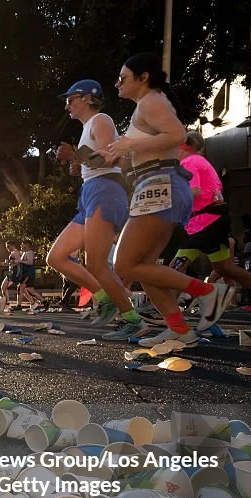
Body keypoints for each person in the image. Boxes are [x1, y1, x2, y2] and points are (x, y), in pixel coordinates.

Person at [101, 54, 231, 347]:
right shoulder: (145, 107)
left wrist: (131, 144)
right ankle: (180, 329)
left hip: (161, 185)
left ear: (143, 77)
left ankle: (208, 293)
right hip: (155, 184)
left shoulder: (151, 102)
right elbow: (149, 150)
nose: (117, 83)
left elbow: (176, 135)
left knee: (124, 265)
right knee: (144, 267)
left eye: (122, 77)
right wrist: (116, 156)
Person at [48, 79, 144, 340]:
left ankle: (133, 319)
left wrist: (76, 155)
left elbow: (109, 158)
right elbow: (91, 163)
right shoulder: (86, 128)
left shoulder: (101, 119)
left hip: (105, 190)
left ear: (88, 98)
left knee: (97, 264)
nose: (67, 105)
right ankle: (106, 298)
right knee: (55, 258)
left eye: (71, 99)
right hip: (91, 191)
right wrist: (75, 165)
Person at [169, 131, 251, 291]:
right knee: (225, 268)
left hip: (201, 225)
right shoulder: (204, 163)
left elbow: (194, 191)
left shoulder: (190, 162)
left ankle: (171, 309)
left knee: (175, 269)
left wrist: (169, 202)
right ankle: (173, 307)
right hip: (213, 221)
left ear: (183, 147)